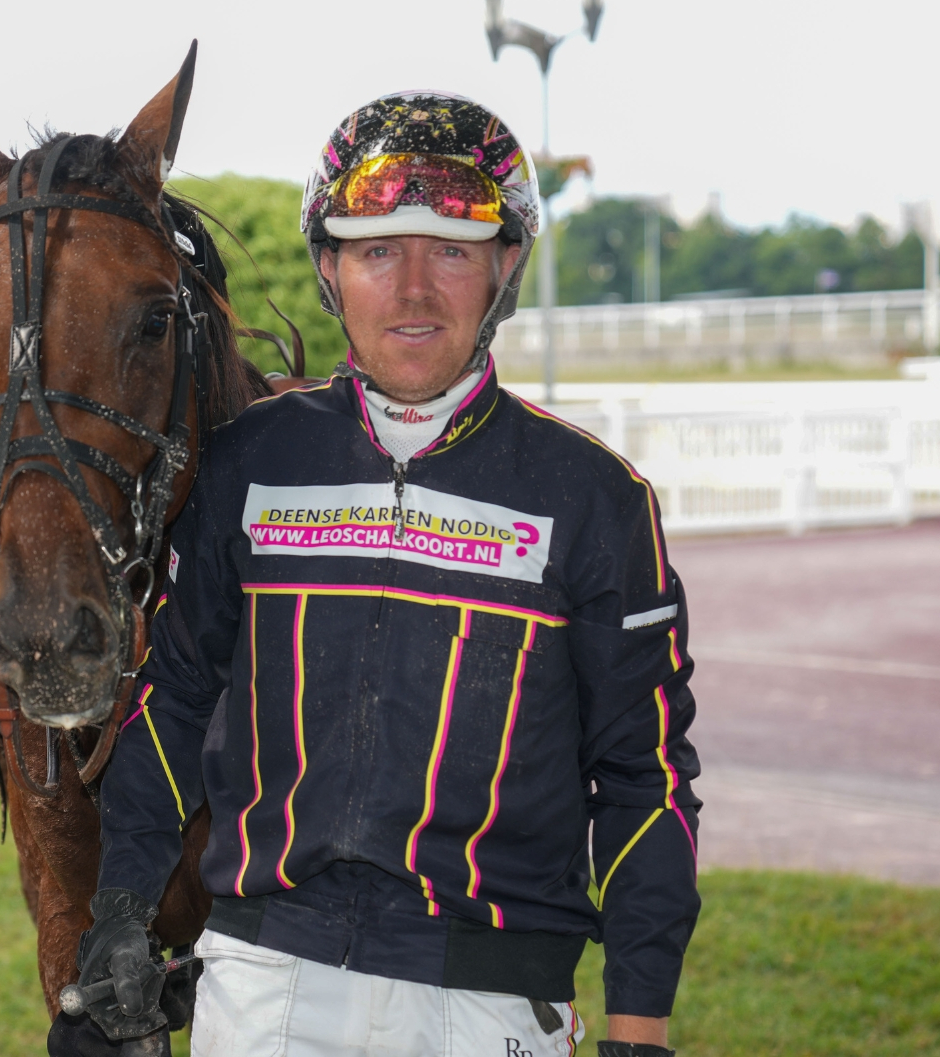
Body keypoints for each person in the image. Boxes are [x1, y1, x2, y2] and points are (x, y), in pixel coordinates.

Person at [74, 92, 701, 1057]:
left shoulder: (597, 500)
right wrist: (119, 908)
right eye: (377, 251)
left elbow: (644, 777)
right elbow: (177, 699)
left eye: (451, 249)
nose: (413, 290)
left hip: (491, 999)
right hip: (261, 984)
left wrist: (641, 1026)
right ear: (331, 270)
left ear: (505, 268)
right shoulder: (249, 462)